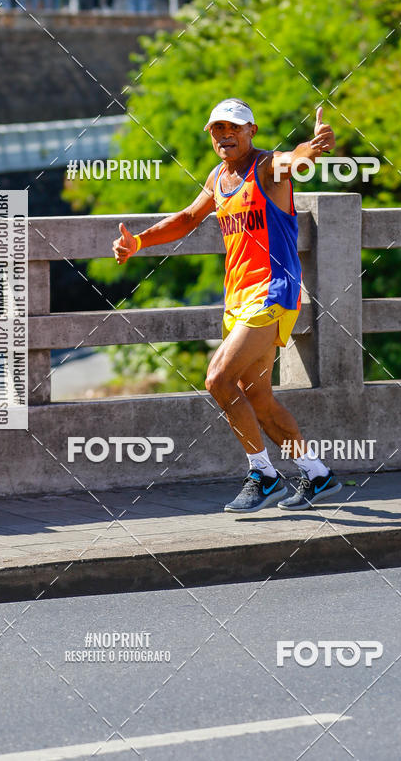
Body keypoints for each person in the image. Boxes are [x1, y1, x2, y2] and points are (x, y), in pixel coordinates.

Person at [113, 98, 342, 512]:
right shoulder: (218, 177)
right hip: (237, 299)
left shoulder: (268, 167)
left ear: (252, 130)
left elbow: (297, 160)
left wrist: (314, 147)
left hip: (273, 291)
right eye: (218, 129)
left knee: (218, 378)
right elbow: (186, 219)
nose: (226, 135)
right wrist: (139, 242)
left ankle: (264, 474)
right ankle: (317, 474)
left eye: (234, 127)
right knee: (258, 399)